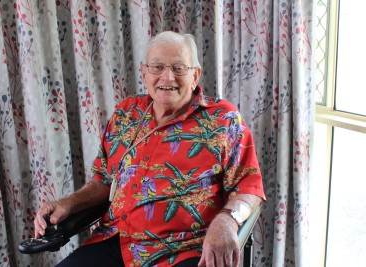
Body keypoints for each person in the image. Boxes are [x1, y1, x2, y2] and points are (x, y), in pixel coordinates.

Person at [34, 31, 265, 267]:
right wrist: (67, 203)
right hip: (117, 243)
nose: (167, 77)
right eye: (157, 67)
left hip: (184, 250)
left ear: (195, 75)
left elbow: (249, 187)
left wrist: (227, 221)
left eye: (178, 68)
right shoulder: (126, 113)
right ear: (144, 73)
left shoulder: (223, 119)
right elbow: (104, 180)